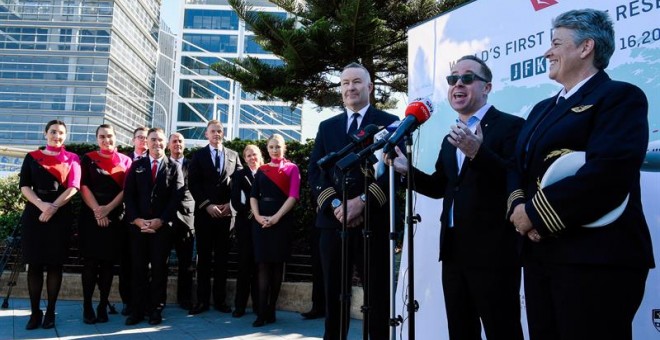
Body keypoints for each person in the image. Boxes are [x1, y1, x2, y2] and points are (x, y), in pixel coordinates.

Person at [508, 9, 654, 340]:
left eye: (557, 43)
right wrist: (519, 210)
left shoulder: (619, 97)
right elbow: (517, 166)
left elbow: (608, 174)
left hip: (596, 260)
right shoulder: (541, 109)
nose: (548, 51)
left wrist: (534, 215)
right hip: (541, 256)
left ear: (586, 47)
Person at [386, 55, 524, 339]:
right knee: (461, 331)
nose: (458, 84)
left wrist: (478, 153)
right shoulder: (450, 138)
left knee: (503, 330)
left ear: (487, 87)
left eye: (468, 78)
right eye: (452, 79)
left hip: (494, 251)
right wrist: (406, 171)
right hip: (454, 251)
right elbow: (440, 186)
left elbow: (514, 178)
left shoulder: (512, 126)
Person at [308, 62, 398, 339]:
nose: (350, 88)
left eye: (356, 82)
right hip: (333, 225)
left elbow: (395, 173)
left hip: (374, 222)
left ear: (370, 87)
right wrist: (337, 206)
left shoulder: (390, 123)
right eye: (345, 83)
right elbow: (315, 173)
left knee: (377, 295)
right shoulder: (327, 127)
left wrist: (362, 202)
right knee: (334, 295)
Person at [19, 120, 81, 330]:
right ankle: (35, 312)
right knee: (34, 264)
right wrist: (40, 205)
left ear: (65, 136)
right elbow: (24, 186)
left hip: (60, 214)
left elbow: (74, 187)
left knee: (56, 264)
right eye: (53, 132)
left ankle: (51, 312)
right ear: (45, 133)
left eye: (61, 133)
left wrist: (53, 207)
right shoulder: (32, 157)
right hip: (35, 213)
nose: (57, 135)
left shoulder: (72, 158)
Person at [123, 127, 184, 326]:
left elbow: (176, 198)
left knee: (159, 269)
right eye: (152, 140)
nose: (156, 143)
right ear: (145, 142)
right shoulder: (137, 165)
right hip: (138, 227)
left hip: (162, 228)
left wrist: (161, 221)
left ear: (165, 143)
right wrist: (137, 220)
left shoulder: (174, 167)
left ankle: (156, 309)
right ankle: (137, 309)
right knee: (138, 269)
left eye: (160, 140)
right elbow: (129, 195)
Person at [78, 124, 132, 324]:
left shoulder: (126, 161)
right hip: (91, 217)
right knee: (90, 263)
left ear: (116, 138)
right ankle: (87, 306)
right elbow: (82, 185)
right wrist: (97, 211)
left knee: (108, 264)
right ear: (96, 138)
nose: (105, 140)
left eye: (109, 136)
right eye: (101, 136)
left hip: (114, 217)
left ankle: (102, 305)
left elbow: (127, 190)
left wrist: (107, 209)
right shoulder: (88, 158)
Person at [188, 119, 242, 315]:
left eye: (219, 131)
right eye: (213, 131)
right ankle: (202, 301)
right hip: (204, 215)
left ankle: (220, 301)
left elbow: (240, 184)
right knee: (203, 260)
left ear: (223, 133)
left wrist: (231, 206)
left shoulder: (234, 156)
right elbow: (193, 184)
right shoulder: (198, 156)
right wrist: (207, 205)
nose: (216, 134)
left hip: (226, 217)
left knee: (222, 260)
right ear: (206, 134)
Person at [250, 134, 301, 327]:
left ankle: (271, 310)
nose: (274, 150)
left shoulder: (292, 168)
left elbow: (293, 196)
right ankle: (262, 312)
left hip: (281, 221)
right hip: (261, 222)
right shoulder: (261, 170)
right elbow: (253, 196)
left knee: (277, 266)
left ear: (284, 148)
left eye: (278, 147)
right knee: (262, 266)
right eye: (271, 147)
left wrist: (276, 218)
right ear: (267, 149)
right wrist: (257, 217)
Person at [230, 144, 263, 318]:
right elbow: (236, 200)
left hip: (262, 227)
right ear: (244, 158)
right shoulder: (239, 175)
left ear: (260, 156)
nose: (252, 158)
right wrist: (252, 212)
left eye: (254, 154)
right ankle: (240, 306)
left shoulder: (265, 173)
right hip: (244, 225)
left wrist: (259, 214)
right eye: (248, 155)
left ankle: (259, 305)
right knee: (244, 266)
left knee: (259, 266)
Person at [119, 126, 149, 316]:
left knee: (146, 264)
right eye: (139, 137)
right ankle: (127, 301)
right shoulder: (125, 160)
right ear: (133, 140)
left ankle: (144, 301)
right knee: (127, 263)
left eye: (146, 137)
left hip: (148, 220)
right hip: (126, 219)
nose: (143, 141)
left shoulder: (155, 161)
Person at [168, 132, 195, 310]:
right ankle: (156, 299)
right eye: (174, 141)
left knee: (186, 263)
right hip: (166, 219)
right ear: (168, 145)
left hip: (187, 218)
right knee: (159, 261)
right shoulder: (163, 163)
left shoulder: (193, 165)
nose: (178, 144)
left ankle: (185, 299)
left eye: (181, 141)